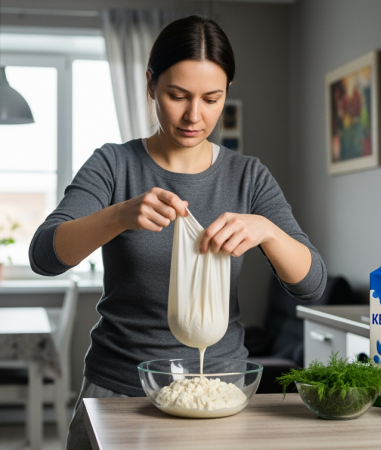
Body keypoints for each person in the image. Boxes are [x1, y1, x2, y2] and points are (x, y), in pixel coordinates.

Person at [29, 15, 327, 449]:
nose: (194, 115)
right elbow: (44, 255)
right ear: (151, 84)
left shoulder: (248, 177)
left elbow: (313, 285)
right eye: (177, 96)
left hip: (218, 393)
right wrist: (119, 216)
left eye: (211, 98)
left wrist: (267, 231)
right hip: (121, 392)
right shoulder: (114, 165)